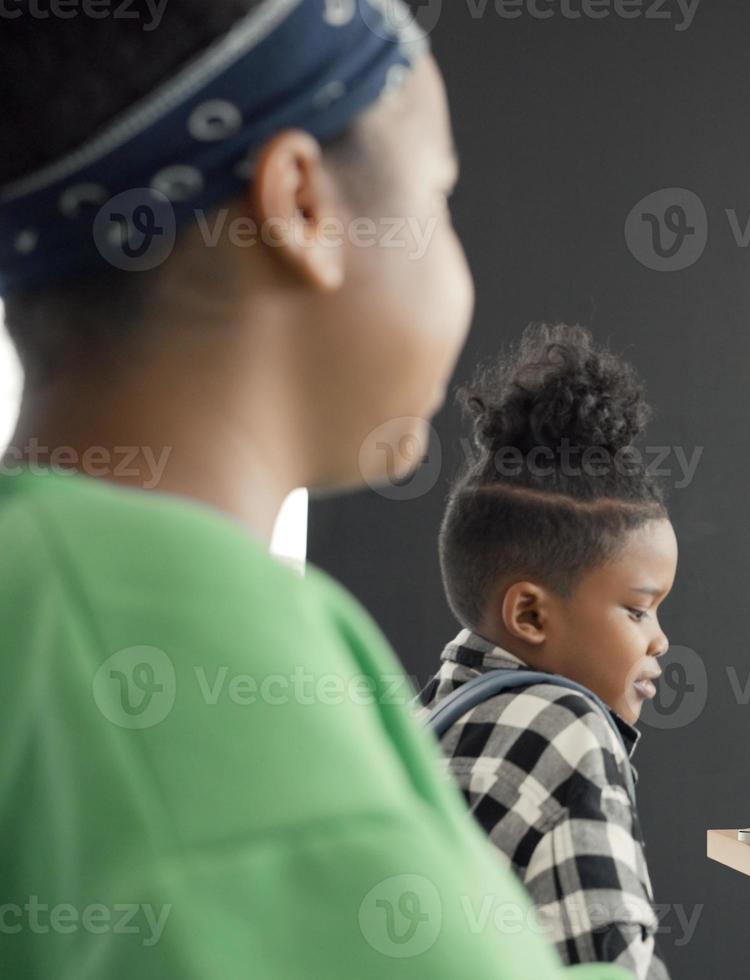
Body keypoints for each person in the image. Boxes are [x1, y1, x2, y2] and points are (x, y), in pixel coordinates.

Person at [0, 2, 624, 976]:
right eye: (436, 201)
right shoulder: (154, 623)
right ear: (300, 205)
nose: (459, 270)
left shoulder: (56, 589)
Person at [422, 324, 678, 978]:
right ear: (530, 613)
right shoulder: (569, 730)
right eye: (638, 609)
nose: (659, 639)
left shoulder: (420, 718)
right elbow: (610, 960)